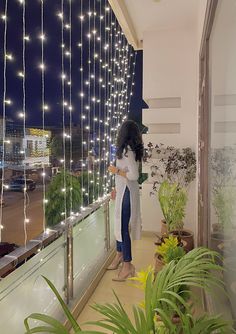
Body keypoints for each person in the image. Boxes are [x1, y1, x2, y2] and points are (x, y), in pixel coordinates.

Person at [107, 120, 143, 281]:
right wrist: (115, 187)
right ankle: (120, 255)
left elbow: (134, 176)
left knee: (122, 228)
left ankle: (127, 265)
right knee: (119, 224)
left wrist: (117, 171)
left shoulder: (128, 151)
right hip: (123, 190)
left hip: (127, 192)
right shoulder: (127, 150)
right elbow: (126, 173)